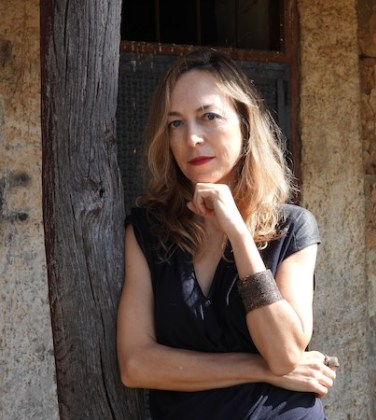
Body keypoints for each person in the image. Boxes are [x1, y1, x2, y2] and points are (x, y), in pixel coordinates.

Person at [117, 49, 337, 419]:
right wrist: (260, 369)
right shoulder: (148, 231)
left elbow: (284, 353)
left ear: (244, 123)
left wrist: (238, 234)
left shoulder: (293, 228)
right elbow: (136, 365)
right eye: (175, 123)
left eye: (209, 116)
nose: (191, 138)